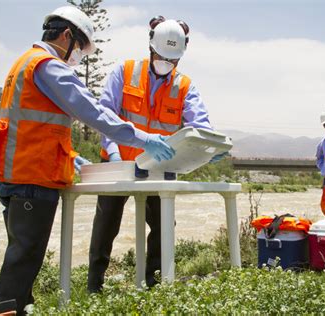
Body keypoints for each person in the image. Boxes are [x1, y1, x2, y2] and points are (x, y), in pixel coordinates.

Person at [0, 6, 174, 314]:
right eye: (81, 49)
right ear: (66, 36)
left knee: (22, 257)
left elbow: (32, 126)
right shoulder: (49, 66)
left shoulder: (23, 63)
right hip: (32, 178)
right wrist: (144, 139)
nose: (79, 57)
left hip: (12, 174)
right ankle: (4, 311)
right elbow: (95, 113)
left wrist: (71, 157)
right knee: (23, 260)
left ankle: (19, 308)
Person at [87, 16, 223, 292]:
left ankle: (154, 284)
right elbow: (104, 114)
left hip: (159, 165)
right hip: (119, 161)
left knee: (163, 225)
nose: (166, 62)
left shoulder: (184, 86)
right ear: (150, 47)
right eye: (162, 56)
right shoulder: (124, 72)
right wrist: (114, 154)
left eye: (173, 59)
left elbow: (200, 124)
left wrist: (211, 146)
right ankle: (93, 287)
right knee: (106, 225)